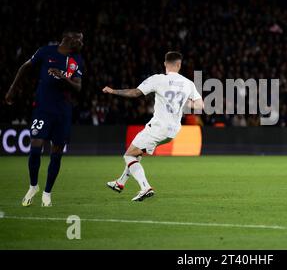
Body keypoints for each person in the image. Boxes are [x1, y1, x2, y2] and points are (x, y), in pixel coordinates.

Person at [102, 51, 204, 202]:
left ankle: (145, 187)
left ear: (165, 64)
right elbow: (200, 106)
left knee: (129, 155)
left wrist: (113, 91)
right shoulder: (188, 83)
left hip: (158, 127)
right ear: (179, 65)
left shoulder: (158, 79)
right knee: (137, 152)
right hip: (173, 131)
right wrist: (182, 103)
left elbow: (136, 93)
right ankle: (120, 183)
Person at [5, 30, 84, 207]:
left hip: (63, 113)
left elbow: (78, 87)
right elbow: (25, 67)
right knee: (35, 148)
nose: (82, 44)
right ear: (68, 39)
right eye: (80, 40)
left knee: (56, 154)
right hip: (42, 110)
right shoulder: (45, 52)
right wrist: (12, 89)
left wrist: (63, 77)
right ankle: (33, 186)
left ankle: (47, 192)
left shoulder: (77, 60)